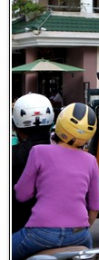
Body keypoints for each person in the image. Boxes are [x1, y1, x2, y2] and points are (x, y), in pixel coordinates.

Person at [12, 103, 99, 260]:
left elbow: (22, 195)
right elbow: (94, 208)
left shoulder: (39, 151)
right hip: (80, 235)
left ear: (59, 123)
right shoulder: (91, 161)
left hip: (40, 234)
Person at [12, 93, 56, 233]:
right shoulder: (70, 154)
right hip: (68, 230)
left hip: (22, 229)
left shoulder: (14, 155)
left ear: (16, 125)